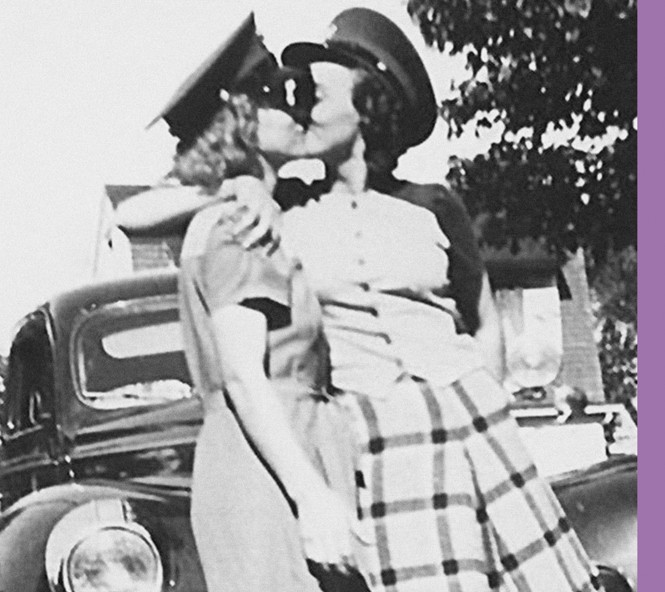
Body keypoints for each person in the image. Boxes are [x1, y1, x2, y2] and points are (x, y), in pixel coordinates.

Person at [121, 8, 604, 592]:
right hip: (370, 432)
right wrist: (233, 184)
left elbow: (482, 320)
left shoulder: (434, 203)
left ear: (369, 105)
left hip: (468, 415)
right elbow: (134, 213)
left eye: (318, 94)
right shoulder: (281, 208)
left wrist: (487, 398)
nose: (302, 108)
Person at [152, 15, 371, 592]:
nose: (297, 110)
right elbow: (245, 375)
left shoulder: (231, 215)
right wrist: (312, 495)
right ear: (242, 121)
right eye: (276, 97)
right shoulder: (242, 227)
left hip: (259, 457)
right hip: (274, 465)